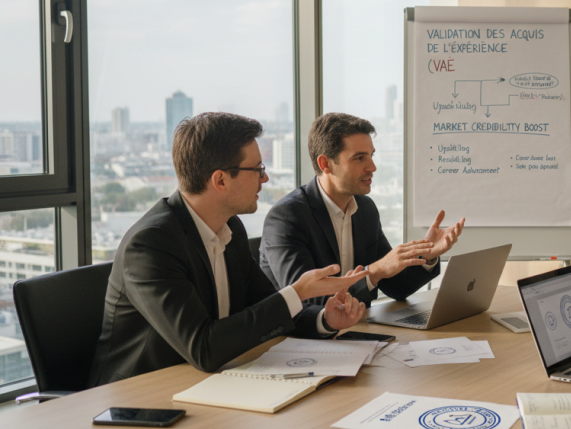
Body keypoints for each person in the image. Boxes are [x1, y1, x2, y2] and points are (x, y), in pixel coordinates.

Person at [89, 113, 367, 388]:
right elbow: (203, 348)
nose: (265, 178)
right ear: (220, 180)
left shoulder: (230, 228)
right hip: (137, 396)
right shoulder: (151, 244)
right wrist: (298, 292)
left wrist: (324, 319)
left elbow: (266, 308)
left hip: (210, 382)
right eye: (257, 169)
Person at [260, 113, 464, 306]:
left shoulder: (365, 209)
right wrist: (374, 271)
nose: (372, 167)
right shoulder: (287, 217)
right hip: (301, 331)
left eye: (371, 155)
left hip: (358, 326)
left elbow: (396, 287)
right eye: (359, 158)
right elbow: (306, 300)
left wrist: (426, 255)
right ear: (325, 164)